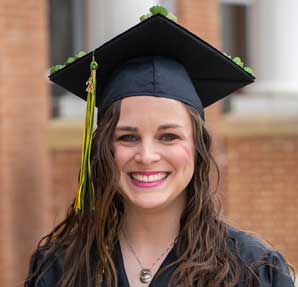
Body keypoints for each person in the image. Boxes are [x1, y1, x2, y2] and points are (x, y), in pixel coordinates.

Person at [24, 6, 295, 287]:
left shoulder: (251, 271)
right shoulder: (60, 268)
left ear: (197, 146)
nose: (147, 155)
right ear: (104, 148)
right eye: (127, 137)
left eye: (168, 136)